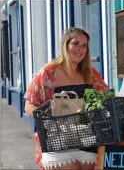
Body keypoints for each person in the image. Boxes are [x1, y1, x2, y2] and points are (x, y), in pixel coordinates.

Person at [24, 27, 108, 170]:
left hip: (86, 138)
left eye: (84, 46)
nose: (80, 49)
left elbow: (105, 97)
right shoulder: (49, 72)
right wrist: (47, 117)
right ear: (65, 45)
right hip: (57, 141)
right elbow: (29, 106)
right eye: (75, 43)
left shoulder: (90, 73)